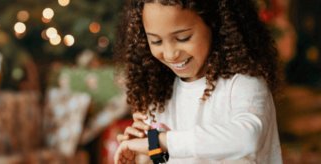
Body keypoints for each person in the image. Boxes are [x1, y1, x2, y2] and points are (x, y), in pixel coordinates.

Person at [113, 0, 282, 163]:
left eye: (183, 38)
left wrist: (160, 142)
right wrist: (144, 153)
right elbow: (169, 154)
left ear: (215, 24)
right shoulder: (160, 93)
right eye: (156, 41)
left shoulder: (243, 83)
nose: (170, 54)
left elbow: (247, 138)